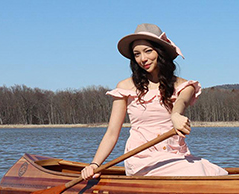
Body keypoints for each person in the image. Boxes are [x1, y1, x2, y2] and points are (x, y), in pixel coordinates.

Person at [80, 22, 228, 182]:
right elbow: (111, 133)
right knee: (199, 172)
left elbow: (181, 103)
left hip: (175, 156)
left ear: (160, 51)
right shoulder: (125, 87)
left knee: (215, 172)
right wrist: (94, 164)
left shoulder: (184, 85)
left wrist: (176, 116)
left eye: (148, 51)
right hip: (141, 159)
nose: (143, 59)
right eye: (137, 54)